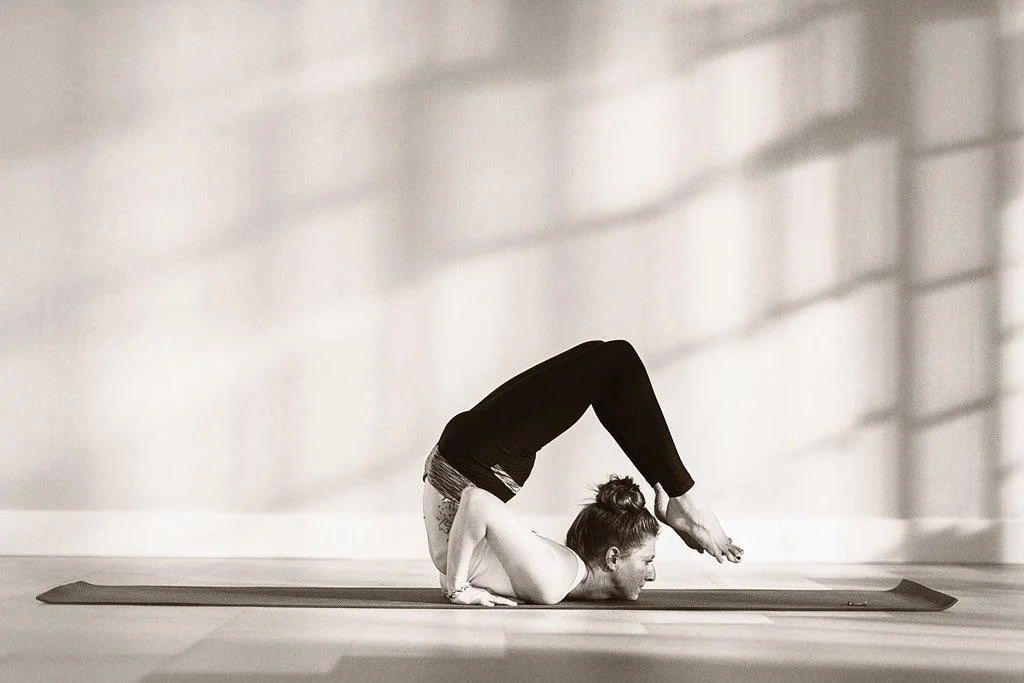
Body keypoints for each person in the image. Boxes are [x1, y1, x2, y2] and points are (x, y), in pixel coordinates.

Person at [422, 339, 743, 606]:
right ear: (612, 558)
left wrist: (458, 581)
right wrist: (458, 586)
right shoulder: (553, 580)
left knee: (613, 362)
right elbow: (474, 506)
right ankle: (681, 496)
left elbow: (474, 507)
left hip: (473, 460)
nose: (652, 574)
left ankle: (681, 496)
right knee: (610, 362)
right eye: (648, 561)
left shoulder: (557, 577)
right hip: (471, 462)